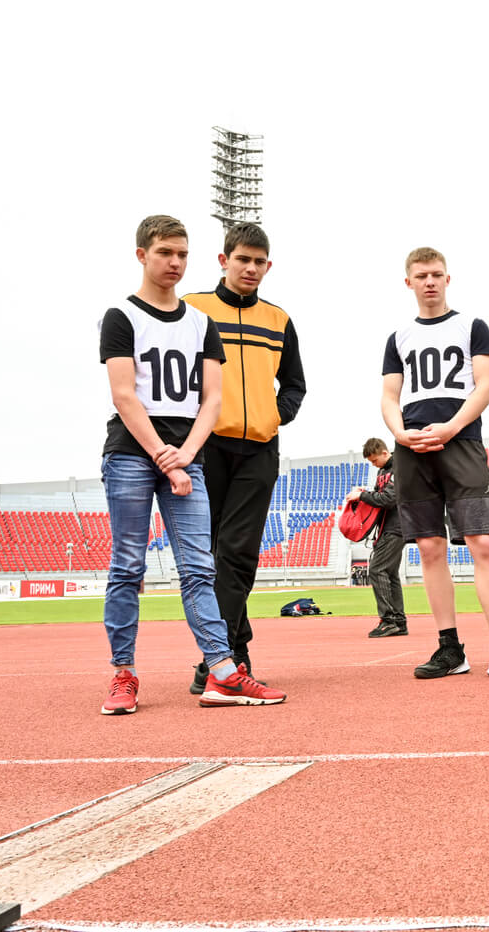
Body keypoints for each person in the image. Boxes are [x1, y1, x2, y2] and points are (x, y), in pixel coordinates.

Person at [98, 215, 286, 714]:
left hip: (189, 456)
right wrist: (165, 455)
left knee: (200, 568)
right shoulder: (121, 315)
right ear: (142, 255)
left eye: (182, 253)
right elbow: (124, 395)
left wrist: (186, 454)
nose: (175, 262)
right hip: (132, 456)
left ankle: (222, 672)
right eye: (164, 253)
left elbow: (212, 400)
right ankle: (123, 673)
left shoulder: (201, 323)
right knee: (128, 566)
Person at [381, 247, 489, 681]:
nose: (429, 281)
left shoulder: (472, 326)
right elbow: (390, 396)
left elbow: (485, 387)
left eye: (436, 274)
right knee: (430, 549)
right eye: (421, 275)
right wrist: (398, 433)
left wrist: (450, 427)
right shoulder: (399, 337)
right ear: (408, 282)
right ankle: (449, 649)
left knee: (484, 544)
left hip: (461, 442)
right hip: (412, 450)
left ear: (448, 279)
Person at [183, 223, 306, 693]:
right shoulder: (193, 310)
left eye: (259, 262)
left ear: (268, 266)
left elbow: (294, 383)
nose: (251, 268)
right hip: (205, 446)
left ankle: (215, 660)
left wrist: (276, 416)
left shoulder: (279, 320)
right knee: (212, 557)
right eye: (242, 260)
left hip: (259, 449)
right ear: (223, 260)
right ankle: (235, 650)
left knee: (237, 552)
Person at [347, 437, 406, 638]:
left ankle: (389, 620)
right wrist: (365, 493)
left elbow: (389, 499)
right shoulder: (383, 471)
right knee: (390, 574)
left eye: (374, 460)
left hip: (396, 527)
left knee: (377, 570)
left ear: (383, 452)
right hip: (387, 527)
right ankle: (398, 621)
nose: (374, 465)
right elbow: (379, 496)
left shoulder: (399, 466)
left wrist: (362, 497)